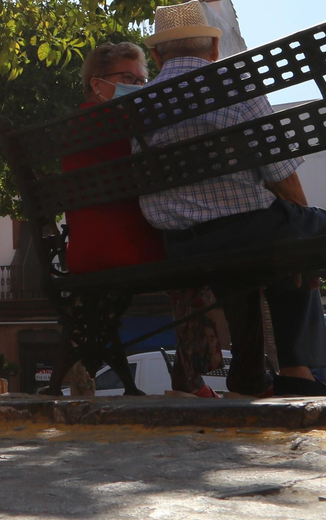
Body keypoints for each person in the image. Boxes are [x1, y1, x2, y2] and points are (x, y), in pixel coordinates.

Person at [134, 0, 326, 398]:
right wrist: (306, 228)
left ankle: (298, 375)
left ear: (154, 54)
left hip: (181, 247)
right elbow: (282, 176)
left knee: (287, 242)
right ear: (214, 50)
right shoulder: (232, 89)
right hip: (249, 231)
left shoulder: (136, 108)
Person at [62, 42, 226, 398]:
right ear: (97, 83)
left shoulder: (73, 127)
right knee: (197, 259)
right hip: (129, 249)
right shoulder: (128, 124)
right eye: (128, 78)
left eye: (142, 80)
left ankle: (191, 379)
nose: (139, 87)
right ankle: (191, 378)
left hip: (84, 254)